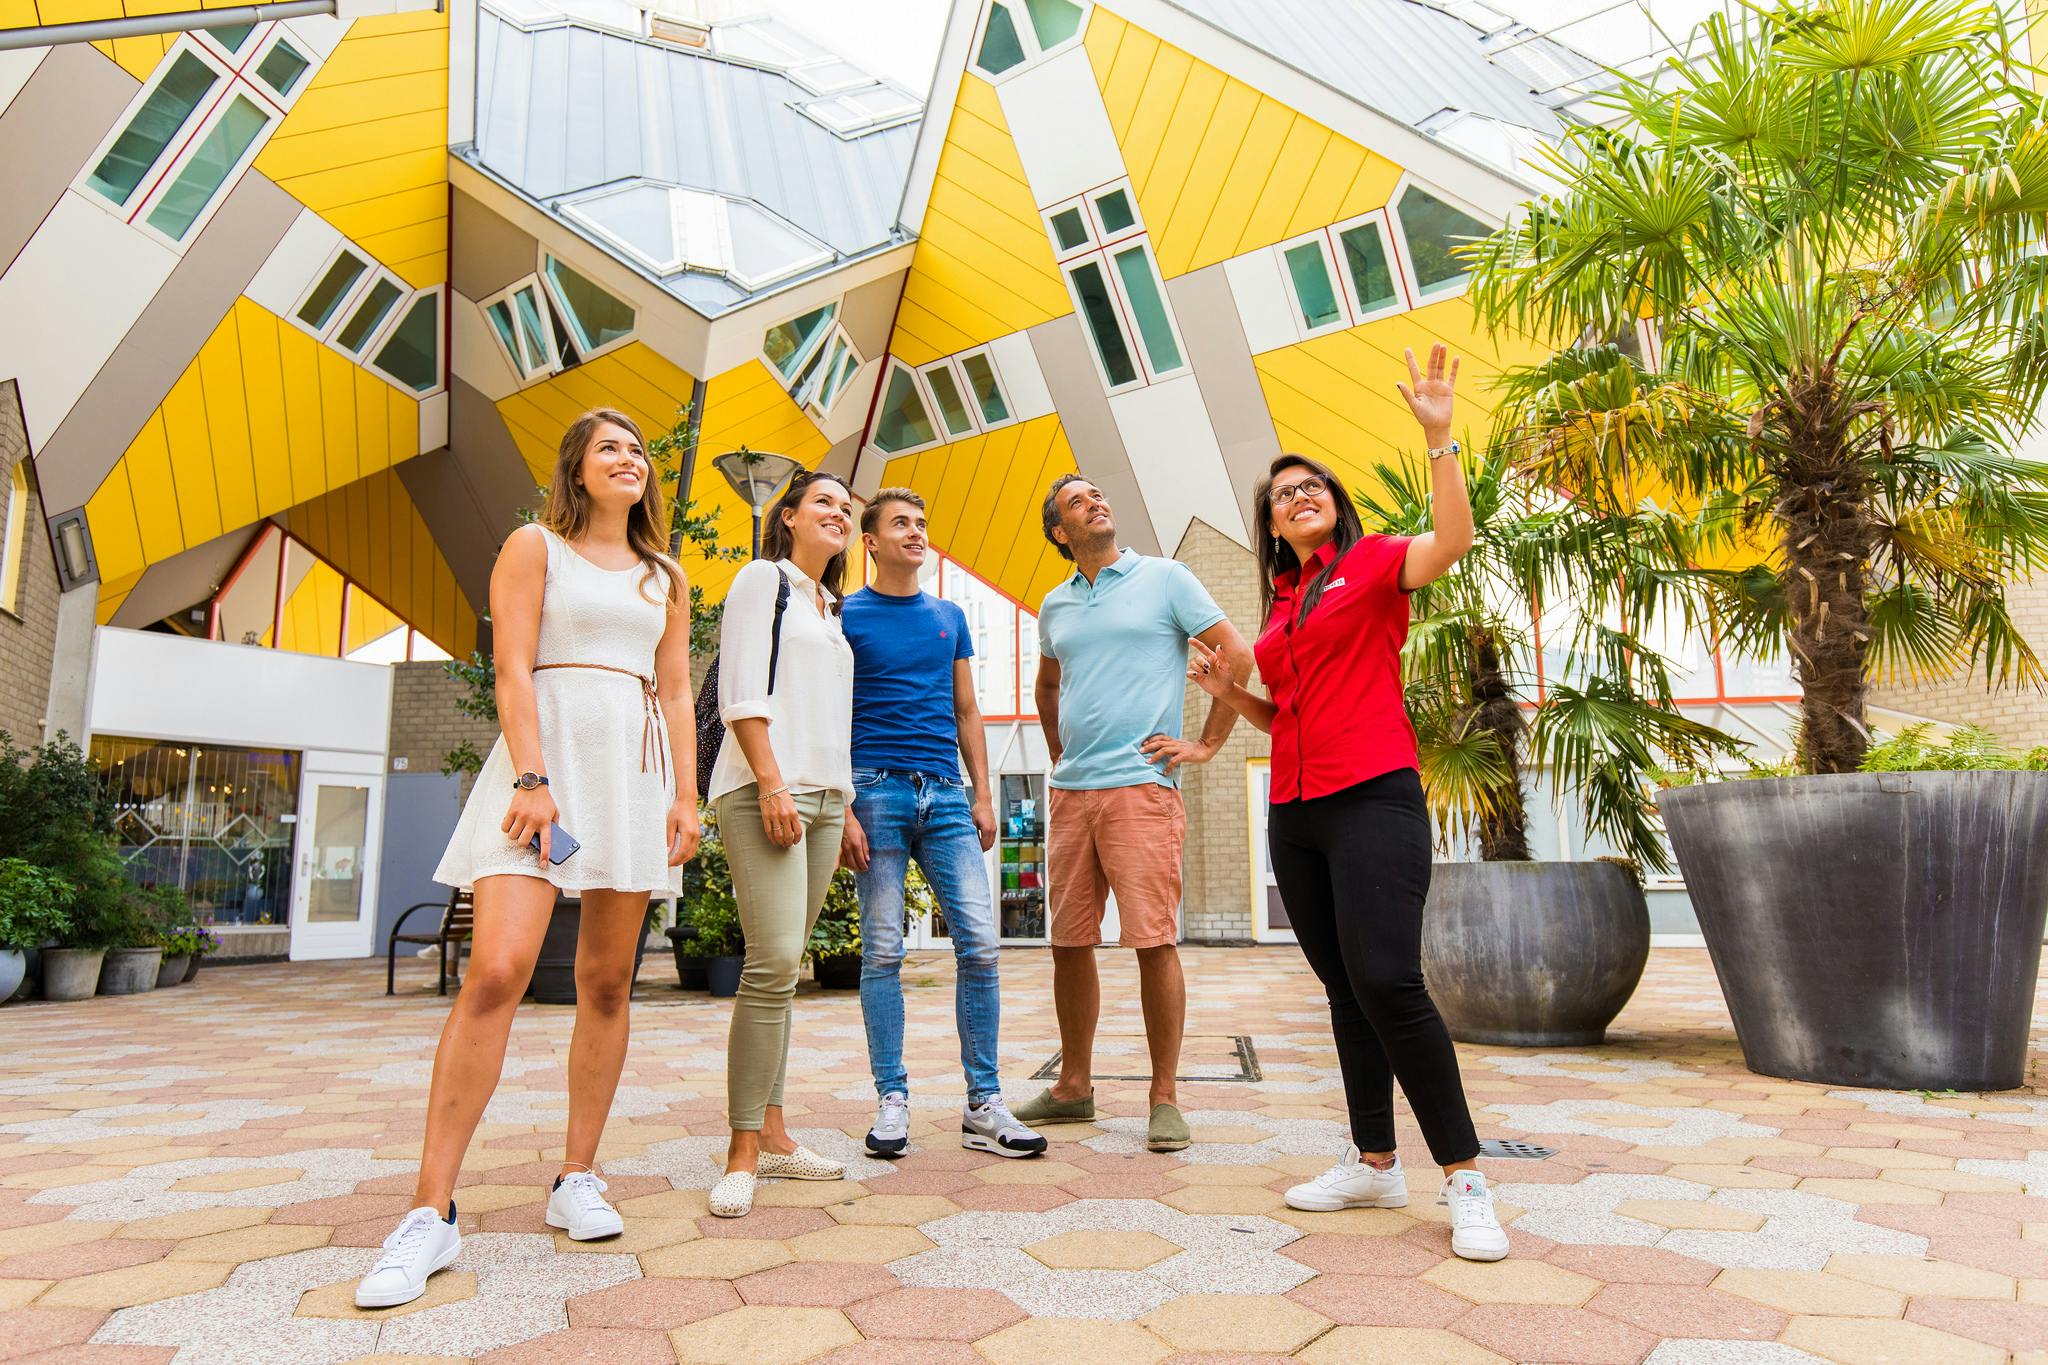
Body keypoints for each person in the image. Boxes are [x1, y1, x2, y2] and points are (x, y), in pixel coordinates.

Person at [356, 409, 701, 1308]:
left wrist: (686, 796)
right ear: (576, 469)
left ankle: (577, 1176)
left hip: (632, 777)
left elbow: (675, 689)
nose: (629, 458)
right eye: (609, 448)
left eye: (638, 449)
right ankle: (430, 1212)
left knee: (609, 983)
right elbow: (511, 666)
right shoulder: (533, 546)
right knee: (498, 971)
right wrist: (533, 776)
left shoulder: (666, 574)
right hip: (540, 772)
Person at [1187, 344, 1509, 1262]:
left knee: (1389, 981)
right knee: (1343, 988)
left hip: (1373, 795)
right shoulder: (1282, 602)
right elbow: (1282, 711)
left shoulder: (1370, 564)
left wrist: (1440, 438)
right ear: (1271, 525)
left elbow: (1452, 541)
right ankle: (1374, 1160)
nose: (1299, 495)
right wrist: (1230, 693)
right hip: (1297, 811)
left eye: (1312, 485)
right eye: (1282, 494)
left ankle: (1466, 1177)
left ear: (1334, 501)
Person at [1011, 478, 1255, 1152]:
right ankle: (1073, 1088)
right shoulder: (1056, 603)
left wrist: (1205, 745)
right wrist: (1058, 753)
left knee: (1153, 940)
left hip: (1141, 788)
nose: (1096, 502)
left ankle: (1164, 1096)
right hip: (1072, 793)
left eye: (1098, 494)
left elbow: (1237, 653)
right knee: (1068, 942)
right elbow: (1048, 683)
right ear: (1059, 532)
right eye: (1077, 501)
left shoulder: (1165, 578)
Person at [838, 489, 1046, 1160]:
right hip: (874, 790)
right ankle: (892, 1098)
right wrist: (842, 807)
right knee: (883, 951)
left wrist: (983, 793)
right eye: (900, 523)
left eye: (921, 523)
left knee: (981, 945)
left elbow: (966, 710)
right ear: (870, 541)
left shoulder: (948, 616)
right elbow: (829, 712)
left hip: (947, 795)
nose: (916, 532)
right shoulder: (845, 614)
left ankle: (983, 1103)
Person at [704, 469, 859, 1218]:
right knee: (769, 964)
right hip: (768, 787)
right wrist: (771, 784)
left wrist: (845, 802)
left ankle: (773, 1133)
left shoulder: (831, 607)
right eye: (823, 501)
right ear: (788, 516)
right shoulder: (763, 580)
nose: (839, 513)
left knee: (786, 969)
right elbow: (741, 693)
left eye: (846, 508)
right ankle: (742, 1150)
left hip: (826, 796)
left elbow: (829, 713)